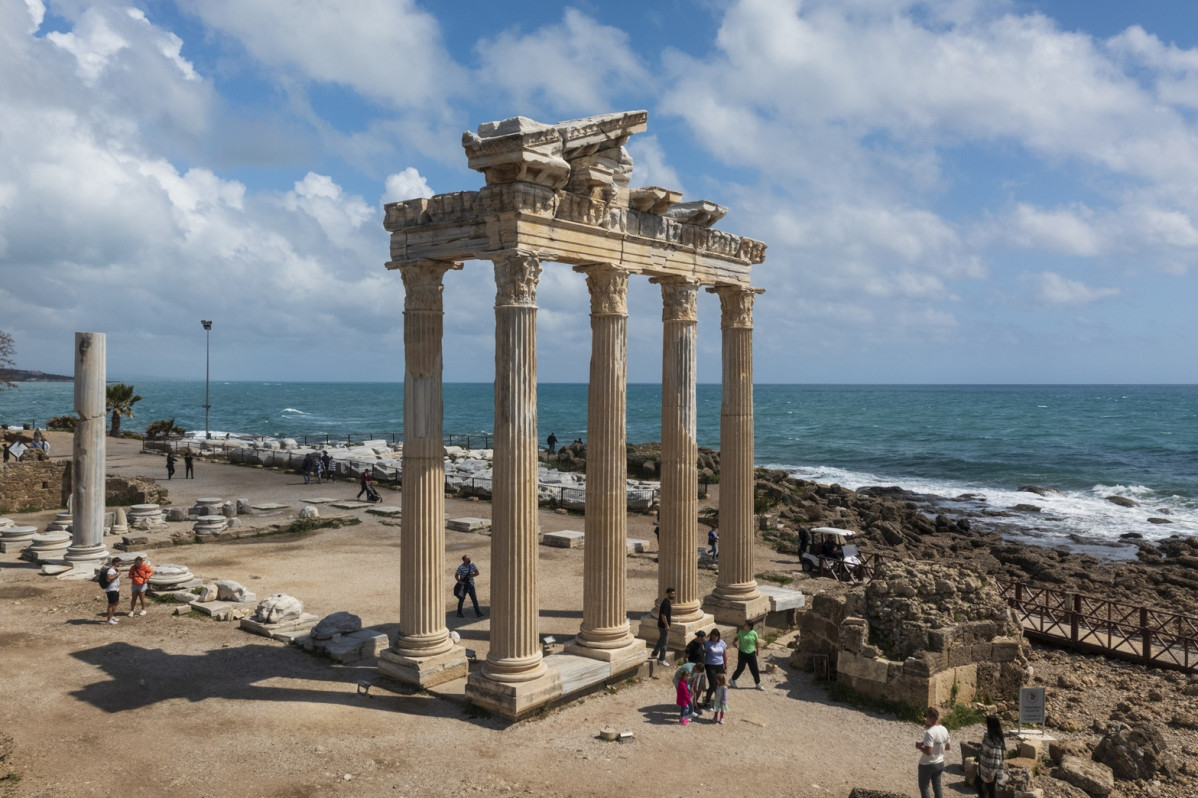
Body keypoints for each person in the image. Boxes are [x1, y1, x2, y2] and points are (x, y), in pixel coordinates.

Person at [917, 706, 952, 798]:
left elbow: (928, 752)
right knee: (937, 787)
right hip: (940, 762)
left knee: (924, 787)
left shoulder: (930, 732)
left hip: (927, 764)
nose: (926, 719)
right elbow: (947, 747)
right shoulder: (944, 729)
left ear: (931, 718)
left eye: (927, 717)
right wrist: (929, 744)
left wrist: (919, 747)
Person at [976, 715, 1005, 798]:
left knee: (991, 792)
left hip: (989, 772)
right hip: (982, 769)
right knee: (978, 784)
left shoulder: (996, 742)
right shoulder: (988, 737)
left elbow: (996, 761)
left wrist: (992, 774)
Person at [731, 619, 762, 690]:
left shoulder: (754, 633)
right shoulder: (741, 632)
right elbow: (736, 638)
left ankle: (757, 683)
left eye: (745, 624)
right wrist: (734, 642)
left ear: (749, 626)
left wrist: (757, 651)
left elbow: (756, 642)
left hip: (751, 653)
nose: (743, 625)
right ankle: (732, 680)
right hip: (742, 653)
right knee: (740, 668)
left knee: (754, 669)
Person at [702, 628, 729, 707]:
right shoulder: (707, 643)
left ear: (718, 637)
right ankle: (707, 701)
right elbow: (703, 653)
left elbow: (725, 655)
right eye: (713, 637)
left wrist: (725, 666)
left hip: (719, 665)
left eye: (715, 637)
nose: (714, 638)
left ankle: (718, 700)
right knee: (713, 684)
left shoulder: (722, 643)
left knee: (719, 684)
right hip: (710, 665)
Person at [650, 587, 675, 665]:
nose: (673, 595)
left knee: (661, 640)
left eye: (674, 594)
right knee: (664, 642)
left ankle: (654, 654)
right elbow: (663, 616)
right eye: (672, 594)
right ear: (667, 594)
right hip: (663, 626)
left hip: (662, 625)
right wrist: (667, 625)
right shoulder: (665, 604)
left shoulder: (667, 602)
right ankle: (662, 658)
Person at [685, 630, 707, 715]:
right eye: (702, 639)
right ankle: (693, 706)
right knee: (694, 688)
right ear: (698, 638)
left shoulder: (702, 644)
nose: (703, 641)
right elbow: (686, 657)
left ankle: (696, 702)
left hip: (702, 670)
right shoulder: (691, 645)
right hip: (695, 670)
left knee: (701, 687)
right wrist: (689, 668)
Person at [101, 557, 123, 625]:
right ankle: (109, 620)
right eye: (119, 562)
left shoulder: (115, 570)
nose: (120, 564)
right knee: (111, 604)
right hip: (111, 589)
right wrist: (117, 575)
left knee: (116, 603)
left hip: (116, 589)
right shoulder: (111, 570)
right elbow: (109, 578)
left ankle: (111, 616)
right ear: (116, 563)